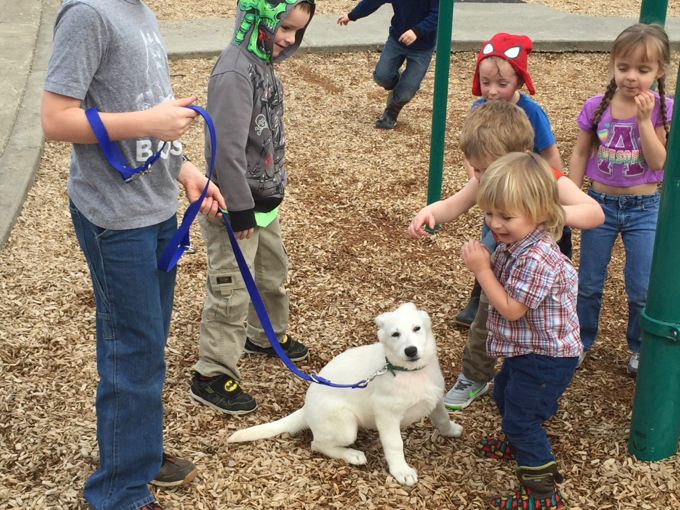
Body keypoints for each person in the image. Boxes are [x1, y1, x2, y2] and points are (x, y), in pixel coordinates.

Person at [41, 1, 226, 509]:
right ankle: (119, 490)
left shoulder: (139, 13)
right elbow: (56, 120)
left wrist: (184, 168)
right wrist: (150, 120)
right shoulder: (88, 15)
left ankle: (137, 454)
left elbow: (147, 110)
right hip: (114, 220)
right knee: (132, 351)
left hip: (154, 208)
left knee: (148, 341)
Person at [408, 101, 603, 410]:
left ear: (522, 156)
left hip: (540, 272)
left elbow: (594, 213)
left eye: (488, 168)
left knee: (537, 325)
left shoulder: (545, 176)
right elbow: (454, 204)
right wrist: (428, 212)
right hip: (505, 264)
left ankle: (544, 367)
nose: (483, 178)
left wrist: (541, 211)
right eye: (478, 169)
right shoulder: (484, 179)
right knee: (486, 316)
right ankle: (476, 374)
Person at [189, 0, 315, 416]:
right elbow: (225, 146)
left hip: (262, 202)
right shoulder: (234, 70)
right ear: (259, 18)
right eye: (284, 27)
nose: (288, 39)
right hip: (234, 205)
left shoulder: (261, 61)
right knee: (230, 288)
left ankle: (266, 335)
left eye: (297, 31)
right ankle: (212, 371)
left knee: (271, 273)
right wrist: (240, 208)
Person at [462, 152, 581, 509]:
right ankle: (516, 443)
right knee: (503, 393)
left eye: (506, 216)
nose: (494, 224)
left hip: (547, 358)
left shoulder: (538, 257)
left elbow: (512, 310)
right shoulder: (516, 243)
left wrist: (482, 271)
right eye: (489, 213)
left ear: (541, 213)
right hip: (525, 349)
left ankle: (543, 493)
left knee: (522, 419)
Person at [569, 23, 673, 376]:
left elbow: (659, 161)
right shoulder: (597, 106)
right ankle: (579, 340)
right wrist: (569, 199)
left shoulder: (661, 108)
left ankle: (640, 347)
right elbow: (581, 152)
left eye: (643, 70)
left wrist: (645, 119)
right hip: (598, 204)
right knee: (588, 282)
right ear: (613, 65)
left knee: (642, 286)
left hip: (644, 208)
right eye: (623, 67)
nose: (631, 77)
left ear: (659, 71)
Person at [455, 32, 563, 328]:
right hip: (493, 193)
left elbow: (550, 154)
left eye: (502, 84)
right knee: (489, 239)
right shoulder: (478, 108)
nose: (491, 91)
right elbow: (471, 148)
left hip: (522, 192)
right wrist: (477, 181)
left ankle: (501, 296)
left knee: (497, 244)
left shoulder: (531, 112)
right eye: (486, 82)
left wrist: (556, 191)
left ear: (519, 81)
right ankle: (480, 298)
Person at [337, 0, 438, 129]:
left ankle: (391, 112)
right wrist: (352, 15)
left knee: (407, 91)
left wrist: (417, 31)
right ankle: (397, 85)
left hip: (422, 47)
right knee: (382, 76)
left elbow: (438, 15)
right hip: (397, 39)